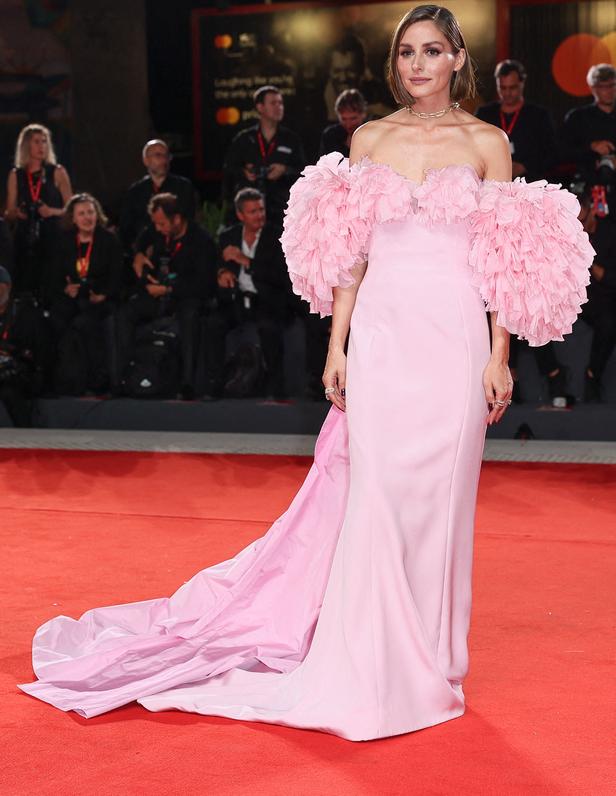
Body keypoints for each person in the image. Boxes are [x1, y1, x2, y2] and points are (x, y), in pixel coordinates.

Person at [19, 5, 592, 741]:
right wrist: (337, 345)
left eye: (432, 51)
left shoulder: (488, 144)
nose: (417, 64)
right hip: (383, 334)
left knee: (441, 501)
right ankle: (373, 662)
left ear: (457, 60)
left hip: (452, 339)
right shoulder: (369, 137)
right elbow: (350, 255)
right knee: (378, 499)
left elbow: (500, 260)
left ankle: (433, 655)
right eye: (406, 52)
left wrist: (498, 353)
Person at [475, 60, 568, 406]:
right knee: (493, 293)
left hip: (528, 216)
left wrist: (522, 166)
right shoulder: (485, 113)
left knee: (528, 296)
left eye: (513, 88)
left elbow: (553, 158)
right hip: (490, 213)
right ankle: (497, 375)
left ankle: (552, 375)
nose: (508, 94)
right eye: (503, 89)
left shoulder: (538, 117)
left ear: (523, 85)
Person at [116, 193, 217, 400]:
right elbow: (139, 245)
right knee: (125, 313)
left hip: (185, 296)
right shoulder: (155, 233)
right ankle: (126, 377)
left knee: (190, 315)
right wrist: (139, 256)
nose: (158, 228)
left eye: (162, 223)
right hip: (156, 294)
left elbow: (203, 284)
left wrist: (169, 290)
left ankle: (188, 383)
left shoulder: (201, 240)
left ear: (177, 219)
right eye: (155, 224)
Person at [206, 187, 298, 400]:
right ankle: (214, 386)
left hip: (267, 300)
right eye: (253, 211)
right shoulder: (228, 236)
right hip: (236, 300)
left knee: (268, 328)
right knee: (213, 325)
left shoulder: (278, 236)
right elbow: (216, 264)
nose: (259, 215)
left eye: (261, 209)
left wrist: (246, 261)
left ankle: (277, 390)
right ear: (240, 215)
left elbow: (281, 277)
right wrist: (222, 271)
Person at [49, 194, 122, 395]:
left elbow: (117, 278)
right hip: (72, 298)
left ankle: (97, 380)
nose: (87, 217)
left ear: (97, 215)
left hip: (99, 299)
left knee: (84, 322)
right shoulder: (64, 242)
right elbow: (54, 277)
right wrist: (65, 289)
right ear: (72, 218)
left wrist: (103, 295)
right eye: (81, 213)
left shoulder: (109, 240)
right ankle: (64, 379)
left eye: (90, 212)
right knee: (57, 318)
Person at [4, 124, 72, 300]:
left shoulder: (57, 172)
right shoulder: (16, 175)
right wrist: (16, 213)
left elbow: (72, 208)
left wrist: (51, 211)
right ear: (26, 145)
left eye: (44, 142)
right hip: (25, 237)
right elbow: (8, 212)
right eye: (36, 142)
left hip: (52, 236)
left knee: (50, 286)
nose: (42, 146)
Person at [222, 86, 305, 227]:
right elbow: (228, 169)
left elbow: (304, 171)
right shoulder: (244, 139)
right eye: (273, 103)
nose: (279, 107)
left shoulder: (291, 139)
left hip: (282, 212)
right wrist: (244, 172)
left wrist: (284, 170)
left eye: (281, 103)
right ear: (260, 107)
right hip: (250, 213)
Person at [119, 139, 196, 257]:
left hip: (177, 251)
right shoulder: (135, 192)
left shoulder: (183, 187)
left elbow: (188, 219)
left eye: (167, 156)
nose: (164, 160)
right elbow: (127, 227)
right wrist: (139, 250)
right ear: (146, 160)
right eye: (158, 155)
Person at [578, 192, 616, 401]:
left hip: (608, 291)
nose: (580, 226)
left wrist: (595, 266)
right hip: (585, 297)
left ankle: (593, 374)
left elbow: (607, 275)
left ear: (592, 210)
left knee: (609, 319)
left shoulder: (609, 232)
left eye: (583, 220)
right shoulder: (572, 235)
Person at [0, 267, 50, 426]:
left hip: (18, 373)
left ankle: (26, 433)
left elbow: (37, 351)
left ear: (8, 287)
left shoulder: (25, 313)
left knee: (9, 391)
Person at [562, 64, 616, 189]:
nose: (608, 91)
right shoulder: (577, 118)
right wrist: (591, 147)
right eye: (603, 86)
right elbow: (561, 152)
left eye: (612, 85)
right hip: (587, 186)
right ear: (593, 88)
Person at [319, 89, 369, 158]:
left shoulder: (372, 134)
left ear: (363, 114)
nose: (348, 124)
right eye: (344, 119)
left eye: (353, 118)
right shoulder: (330, 135)